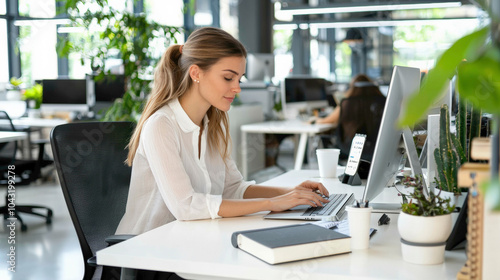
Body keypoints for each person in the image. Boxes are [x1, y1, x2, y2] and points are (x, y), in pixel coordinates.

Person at [115, 27, 330, 236]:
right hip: (147, 251)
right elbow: (186, 206)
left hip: (190, 239)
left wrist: (292, 193)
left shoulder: (213, 124)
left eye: (239, 79)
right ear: (196, 73)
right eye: (228, 78)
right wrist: (272, 203)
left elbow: (233, 189)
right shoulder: (161, 125)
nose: (237, 88)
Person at [311, 74, 384, 125]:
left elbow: (327, 121)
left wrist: (314, 121)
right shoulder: (380, 101)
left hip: (352, 144)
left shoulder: (347, 103)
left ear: (352, 88)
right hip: (375, 143)